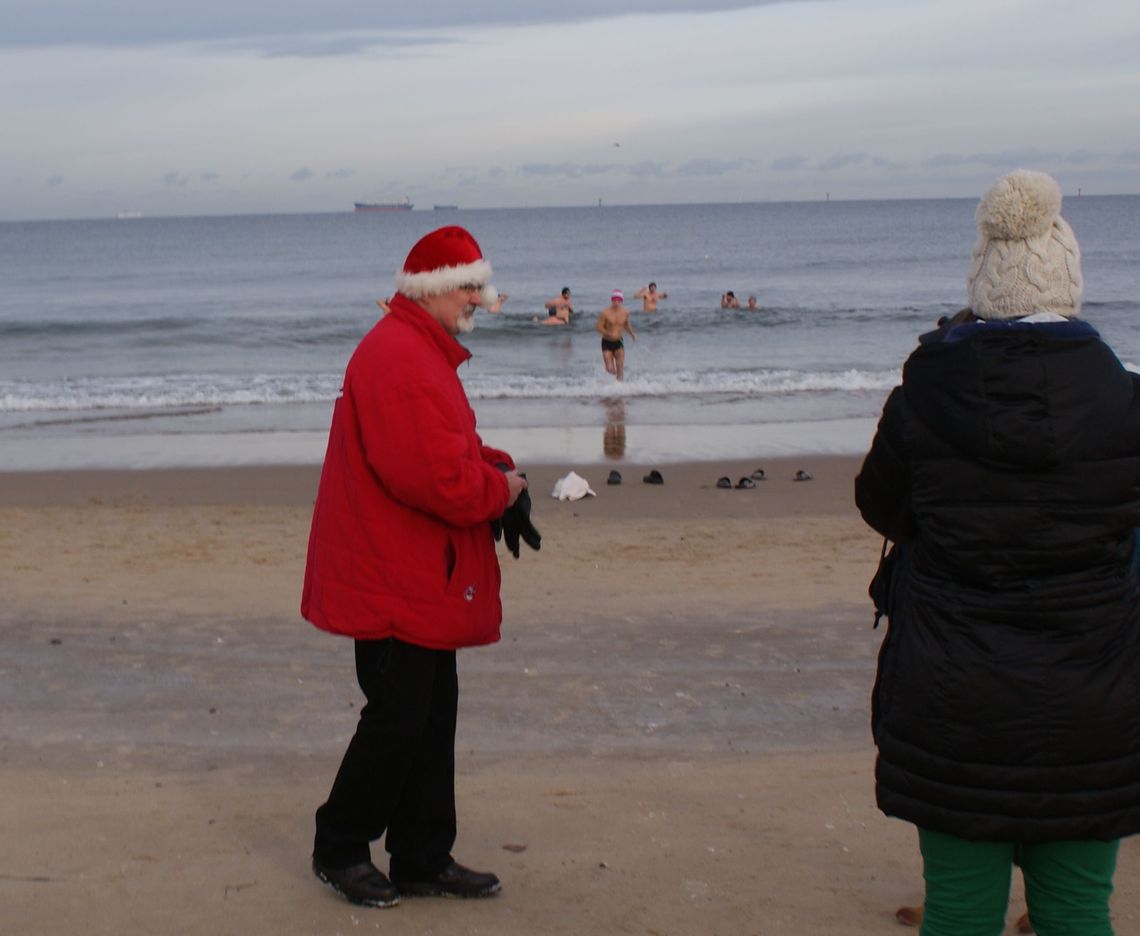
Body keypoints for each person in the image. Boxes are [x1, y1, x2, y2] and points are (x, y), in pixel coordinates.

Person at [855, 170, 1140, 936]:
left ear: (982, 283)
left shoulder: (922, 396)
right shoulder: (1127, 403)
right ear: (1069, 283)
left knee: (960, 909)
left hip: (953, 692)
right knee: (1079, 908)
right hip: (1096, 696)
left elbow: (878, 507)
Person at [303, 225, 530, 910]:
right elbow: (430, 477)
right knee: (400, 717)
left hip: (414, 568)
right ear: (433, 289)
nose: (478, 298)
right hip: (392, 571)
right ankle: (339, 846)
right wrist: (502, 491)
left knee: (431, 716)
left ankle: (423, 856)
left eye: (478, 285)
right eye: (468, 285)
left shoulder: (418, 350)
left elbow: (446, 447)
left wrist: (493, 464)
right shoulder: (399, 355)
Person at [595, 289, 637, 381]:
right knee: (610, 369)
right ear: (611, 300)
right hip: (606, 342)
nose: (616, 302)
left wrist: (632, 334)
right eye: (614, 300)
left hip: (619, 341)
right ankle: (611, 385)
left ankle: (620, 387)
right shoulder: (605, 313)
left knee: (620, 365)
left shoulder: (625, 312)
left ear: (621, 301)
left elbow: (626, 324)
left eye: (618, 300)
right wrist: (607, 333)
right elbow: (598, 327)